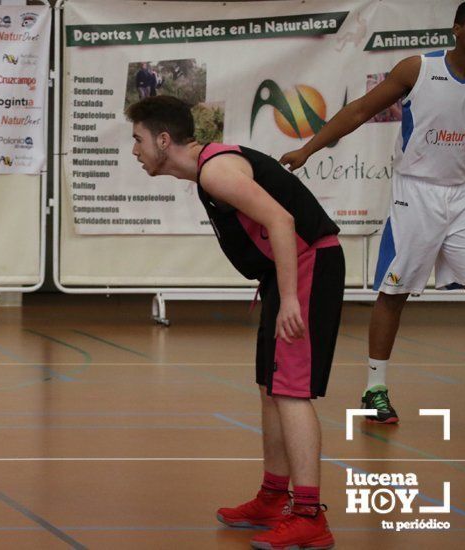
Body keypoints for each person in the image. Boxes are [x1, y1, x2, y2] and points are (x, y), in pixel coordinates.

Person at [127, 95, 344, 550]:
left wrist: (289, 300)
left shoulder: (216, 171)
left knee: (291, 390)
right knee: (271, 387)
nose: (135, 150)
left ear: (164, 140)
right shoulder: (209, 172)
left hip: (307, 266)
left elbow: (282, 221)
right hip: (284, 272)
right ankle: (272, 496)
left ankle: (308, 516)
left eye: (138, 139)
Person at [281, 0, 465, 424]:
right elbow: (358, 110)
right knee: (395, 291)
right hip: (417, 194)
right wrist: (308, 148)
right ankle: (375, 388)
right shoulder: (418, 69)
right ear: (457, 29)